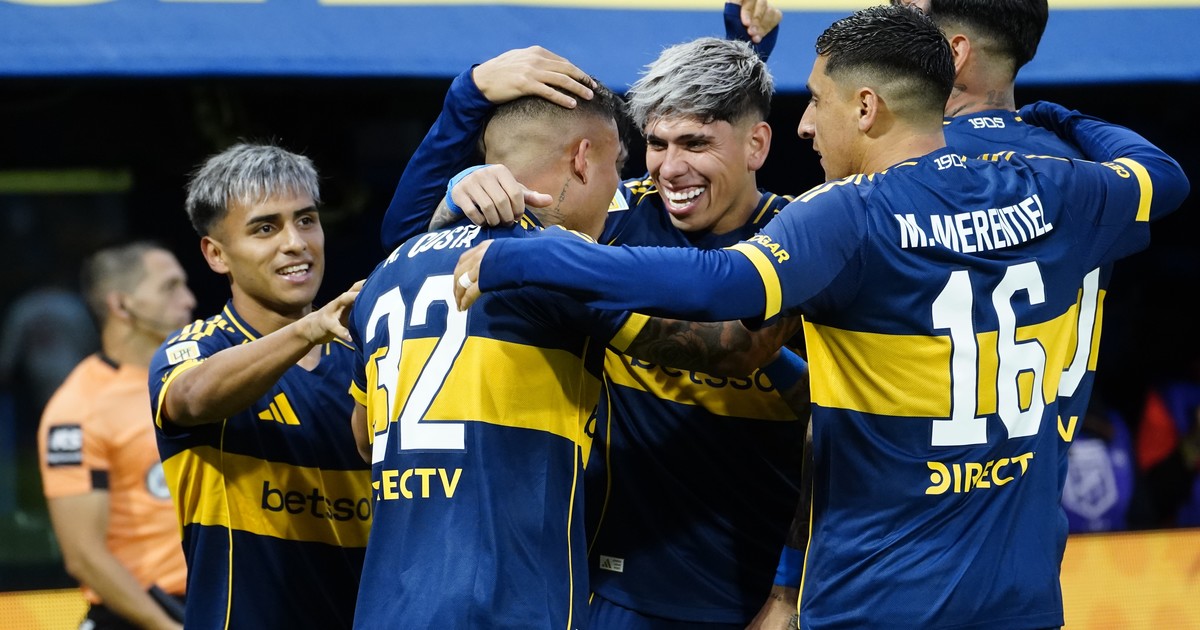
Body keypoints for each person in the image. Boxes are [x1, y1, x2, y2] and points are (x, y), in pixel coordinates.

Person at [451, 6, 1190, 628]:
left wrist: (531, 256)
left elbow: (717, 283)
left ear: (865, 109)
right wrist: (1061, 115)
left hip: (876, 595)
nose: (805, 125)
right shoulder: (1055, 190)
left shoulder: (852, 215)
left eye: (816, 101)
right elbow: (1164, 176)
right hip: (1018, 596)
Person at [384, 30, 807, 630]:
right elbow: (404, 248)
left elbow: (761, 372)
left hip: (763, 587)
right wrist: (462, 182)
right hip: (614, 586)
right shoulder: (615, 210)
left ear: (757, 144)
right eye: (656, 143)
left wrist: (788, 592)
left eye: (694, 143)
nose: (670, 168)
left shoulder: (802, 234)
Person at [149, 143, 371, 629]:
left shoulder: (366, 354)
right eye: (265, 228)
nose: (295, 243)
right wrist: (307, 330)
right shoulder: (197, 346)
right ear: (216, 254)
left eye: (306, 220)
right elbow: (191, 399)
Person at [37, 242, 195, 630]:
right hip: (144, 616)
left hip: (221, 603)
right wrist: (168, 627)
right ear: (121, 306)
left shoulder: (203, 379)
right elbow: (84, 556)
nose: (189, 300)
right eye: (170, 287)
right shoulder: (78, 409)